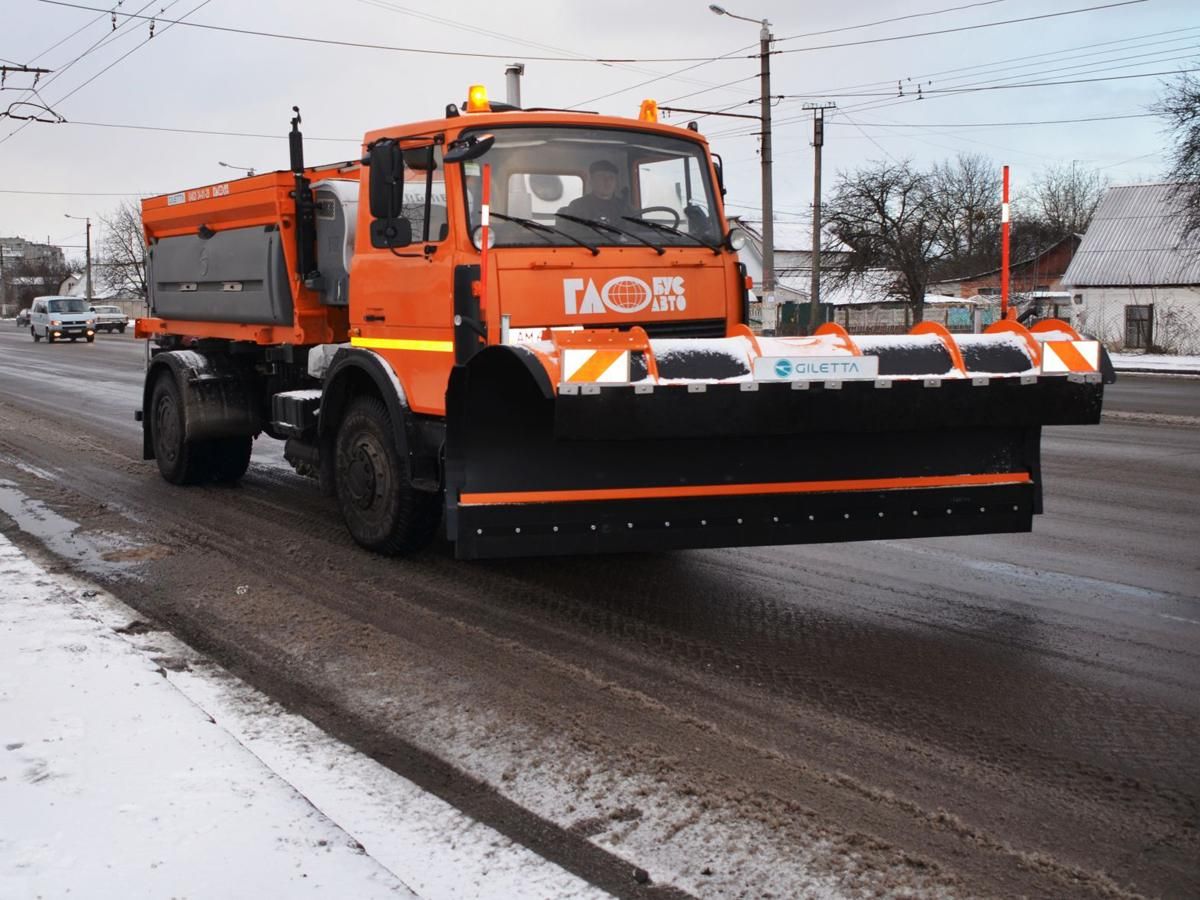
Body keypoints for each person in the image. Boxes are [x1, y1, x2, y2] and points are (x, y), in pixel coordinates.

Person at [559, 159, 632, 222]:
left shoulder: (624, 207)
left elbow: (634, 231)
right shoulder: (577, 206)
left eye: (611, 177)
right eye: (601, 176)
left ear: (616, 182)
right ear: (591, 181)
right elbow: (570, 231)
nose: (607, 181)